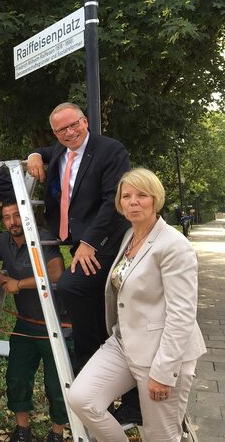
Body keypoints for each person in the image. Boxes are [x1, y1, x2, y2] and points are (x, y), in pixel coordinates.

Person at [68, 168, 207, 441]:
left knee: (161, 435)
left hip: (161, 353)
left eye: (141, 195)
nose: (133, 201)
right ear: (119, 203)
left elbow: (182, 314)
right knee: (82, 398)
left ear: (155, 199)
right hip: (124, 343)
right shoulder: (129, 237)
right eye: (126, 196)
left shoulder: (174, 245)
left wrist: (164, 372)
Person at [25, 102, 142, 423]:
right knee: (91, 309)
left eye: (74, 125)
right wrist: (36, 155)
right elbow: (45, 152)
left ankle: (116, 386)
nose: (69, 132)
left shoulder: (110, 150)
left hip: (107, 242)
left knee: (75, 290)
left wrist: (90, 242)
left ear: (85, 121)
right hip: (77, 243)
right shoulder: (60, 151)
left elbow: (113, 201)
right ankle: (98, 377)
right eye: (61, 129)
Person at [0, 199, 67, 442]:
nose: (13, 221)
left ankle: (57, 433)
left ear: (28, 216)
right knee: (17, 376)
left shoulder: (44, 238)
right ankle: (23, 430)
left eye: (17, 215)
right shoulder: (3, 241)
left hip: (56, 323)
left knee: (56, 383)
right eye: (7, 217)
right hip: (25, 322)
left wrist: (18, 284)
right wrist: (1, 277)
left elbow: (55, 273)